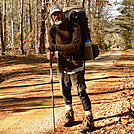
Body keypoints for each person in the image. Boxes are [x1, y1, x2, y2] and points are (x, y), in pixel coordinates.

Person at [45, 4, 94, 133]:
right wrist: (49, 53)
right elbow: (51, 47)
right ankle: (69, 114)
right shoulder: (52, 30)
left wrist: (55, 47)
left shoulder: (75, 27)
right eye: (53, 15)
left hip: (76, 62)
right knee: (65, 90)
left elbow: (75, 46)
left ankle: (89, 119)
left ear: (62, 13)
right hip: (62, 64)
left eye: (57, 13)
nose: (56, 17)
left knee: (81, 92)